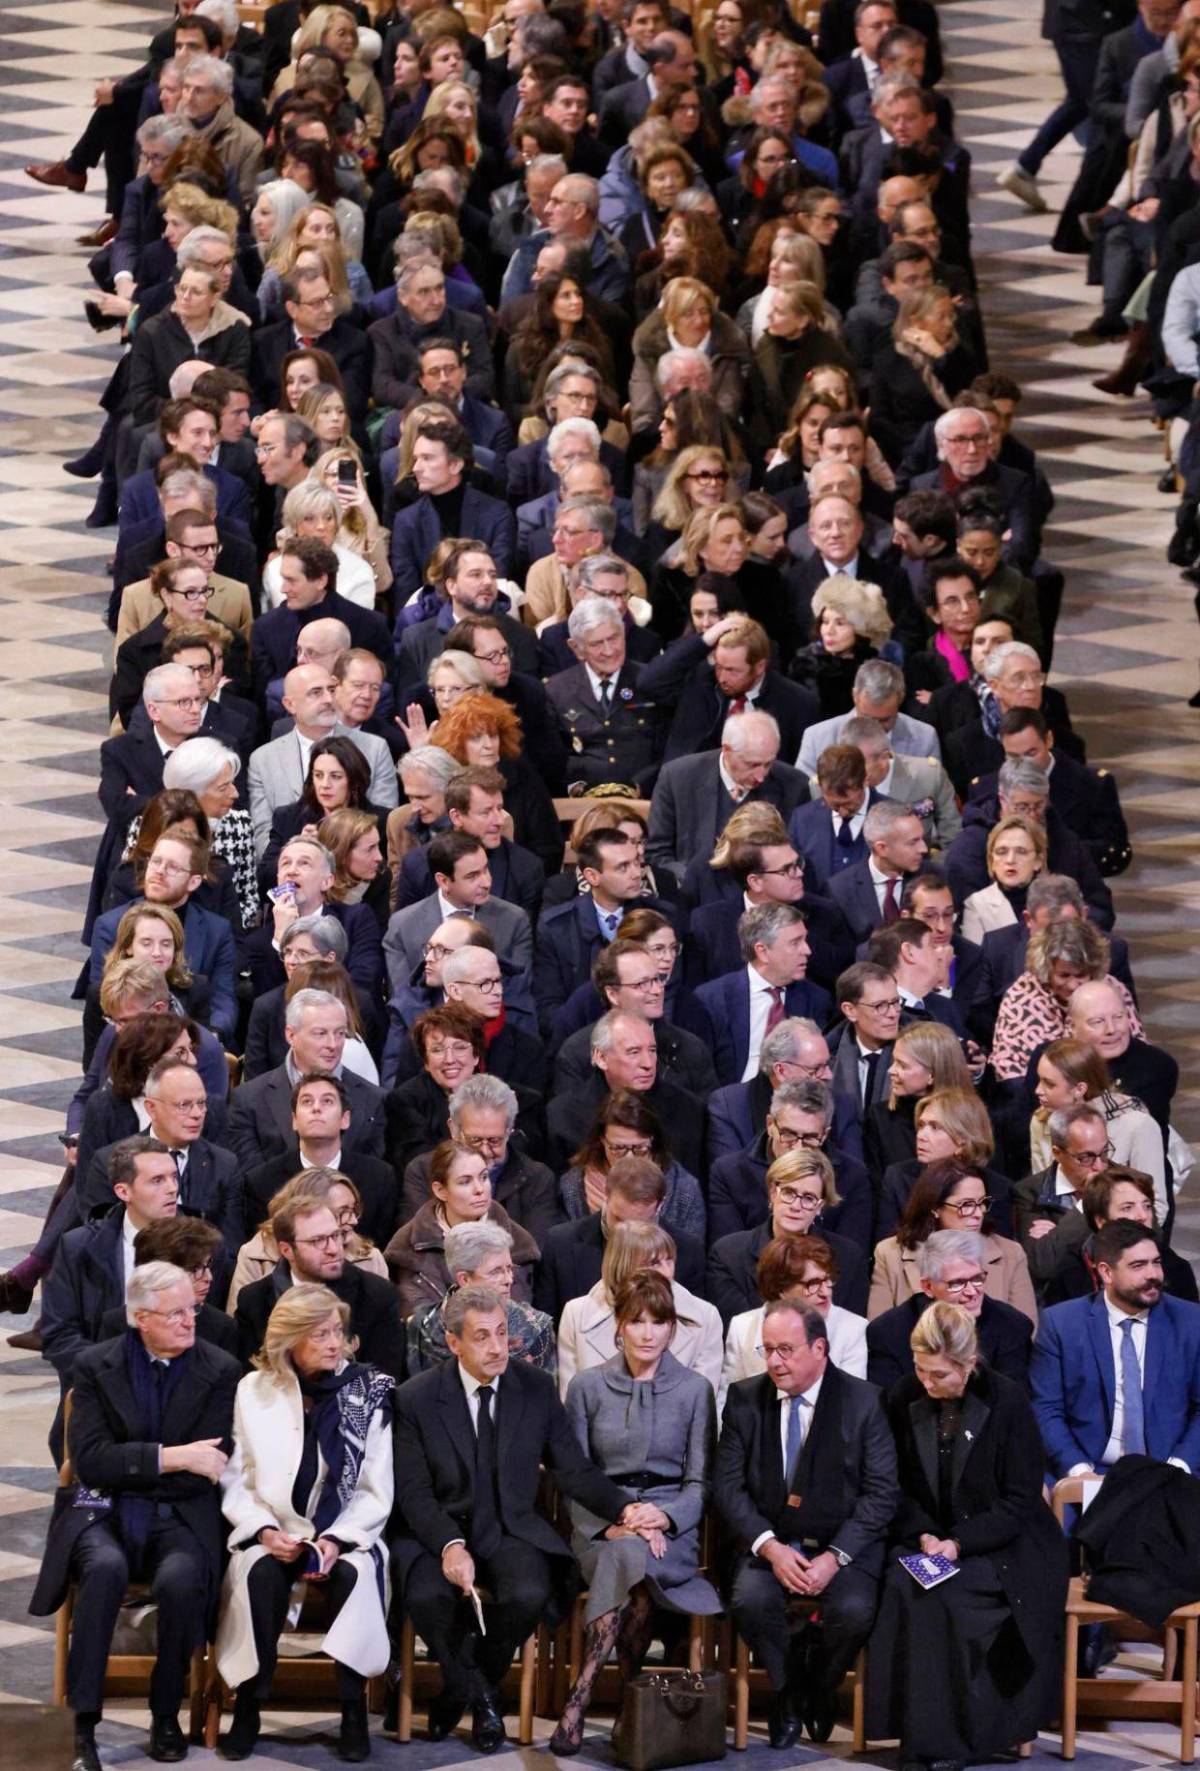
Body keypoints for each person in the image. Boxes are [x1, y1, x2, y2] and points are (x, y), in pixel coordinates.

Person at [389, 1283, 661, 1752]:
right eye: (482, 1337)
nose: (497, 1347)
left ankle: (465, 1686)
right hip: (438, 1532)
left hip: (510, 1526)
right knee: (427, 1597)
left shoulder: (533, 1387)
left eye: (501, 1332)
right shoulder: (416, 1399)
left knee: (530, 1591)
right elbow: (414, 1494)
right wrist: (450, 1547)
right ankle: (481, 1696)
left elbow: (571, 1466)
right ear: (454, 1343)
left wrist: (624, 1507)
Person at [28, 1258, 239, 1771]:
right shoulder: (96, 1366)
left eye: (192, 1309)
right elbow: (92, 1462)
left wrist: (151, 1462)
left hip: (181, 1513)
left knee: (183, 1577)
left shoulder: (220, 1369)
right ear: (141, 1318)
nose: (190, 1321)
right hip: (102, 1511)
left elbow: (210, 1464)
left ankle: (166, 1711)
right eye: (175, 1314)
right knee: (103, 1569)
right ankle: (82, 1725)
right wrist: (172, 1456)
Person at [865, 1301, 1069, 1770]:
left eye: (938, 1375)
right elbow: (893, 1485)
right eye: (920, 1370)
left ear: (968, 1364)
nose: (926, 1383)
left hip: (1004, 1544)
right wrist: (922, 1536)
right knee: (904, 1586)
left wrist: (958, 1542)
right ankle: (916, 1737)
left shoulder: (1008, 1400)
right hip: (927, 1536)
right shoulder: (901, 1397)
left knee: (953, 1597)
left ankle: (965, 1739)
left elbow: (1019, 1499)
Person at [215, 1284, 395, 1762]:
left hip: (346, 1535)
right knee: (259, 1575)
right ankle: (249, 1706)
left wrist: (337, 1539)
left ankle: (352, 1712)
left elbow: (377, 1488)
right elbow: (238, 1479)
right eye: (319, 1335)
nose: (334, 1344)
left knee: (354, 1576)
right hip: (274, 1530)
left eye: (338, 1332)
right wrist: (264, 1531)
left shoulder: (368, 1390)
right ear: (290, 1341)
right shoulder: (253, 1391)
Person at [714, 1299, 898, 1747]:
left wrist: (834, 1559)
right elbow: (728, 1488)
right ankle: (787, 1693)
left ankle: (819, 1686)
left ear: (820, 1348)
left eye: (786, 1350)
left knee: (853, 1613)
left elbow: (881, 1493)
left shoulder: (865, 1402)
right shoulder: (744, 1399)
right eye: (767, 1350)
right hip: (772, 1542)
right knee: (751, 1600)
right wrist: (770, 1547)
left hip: (843, 1548)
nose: (775, 1361)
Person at [553, 1269, 722, 1752]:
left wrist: (663, 1518)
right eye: (636, 1321)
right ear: (619, 1327)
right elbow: (575, 1476)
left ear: (672, 1328)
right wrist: (612, 1524)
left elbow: (699, 1483)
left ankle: (578, 1703)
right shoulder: (587, 1388)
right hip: (601, 1529)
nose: (648, 1333)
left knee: (634, 1565)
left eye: (659, 1322)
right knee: (630, 1573)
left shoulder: (694, 1391)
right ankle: (628, 1701)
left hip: (671, 1533)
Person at [1031, 1219, 1200, 1479]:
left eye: (1156, 1262)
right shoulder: (1061, 1324)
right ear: (1106, 1273)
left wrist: (1180, 1465)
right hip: (1090, 1469)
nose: (1153, 1274)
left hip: (1169, 1470)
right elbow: (1046, 1409)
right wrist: (1078, 1471)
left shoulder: (1191, 1322)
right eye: (1138, 1265)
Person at [233, 1189, 405, 1379]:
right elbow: (252, 1377)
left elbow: (384, 1378)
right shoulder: (253, 1299)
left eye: (335, 1236)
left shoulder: (377, 1294)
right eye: (317, 1241)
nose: (333, 1249)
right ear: (287, 1250)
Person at [557, 1219, 723, 1396]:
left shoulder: (704, 1318)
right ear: (622, 1266)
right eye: (654, 1263)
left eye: (669, 1260)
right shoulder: (576, 1315)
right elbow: (570, 1403)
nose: (667, 1273)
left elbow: (703, 1405)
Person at [708, 1148, 870, 1325]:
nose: (796, 1206)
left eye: (808, 1198)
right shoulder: (728, 1255)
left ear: (820, 1207)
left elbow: (848, 1328)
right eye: (788, 1193)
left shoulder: (849, 1258)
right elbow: (739, 1328)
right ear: (772, 1192)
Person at [646, 708, 809, 883]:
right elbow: (657, 853)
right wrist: (695, 882)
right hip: (692, 896)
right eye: (752, 764)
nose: (761, 776)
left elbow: (800, 854)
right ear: (727, 750)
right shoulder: (678, 777)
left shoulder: (794, 784)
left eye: (768, 764)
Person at [384, 1139, 541, 1317]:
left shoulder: (519, 1243)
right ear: (440, 1190)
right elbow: (421, 1323)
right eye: (465, 1182)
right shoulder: (408, 1250)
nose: (479, 1189)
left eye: (484, 1177)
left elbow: (518, 1319)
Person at [865, 1228, 1034, 1390]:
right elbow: (891, 1409)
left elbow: (1012, 1407)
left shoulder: (1013, 1326)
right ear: (928, 1286)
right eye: (957, 1283)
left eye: (977, 1278)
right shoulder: (887, 1332)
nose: (971, 1292)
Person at [720, 1233, 870, 1412]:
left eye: (827, 1280)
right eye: (813, 1284)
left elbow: (851, 1406)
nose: (825, 1292)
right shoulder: (742, 1327)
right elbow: (728, 1403)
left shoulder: (853, 1328)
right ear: (782, 1289)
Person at [407, 1219, 556, 1375]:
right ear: (464, 1279)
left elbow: (542, 1395)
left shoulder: (536, 1329)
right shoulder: (422, 1327)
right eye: (496, 1271)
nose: (509, 1280)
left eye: (509, 1268)